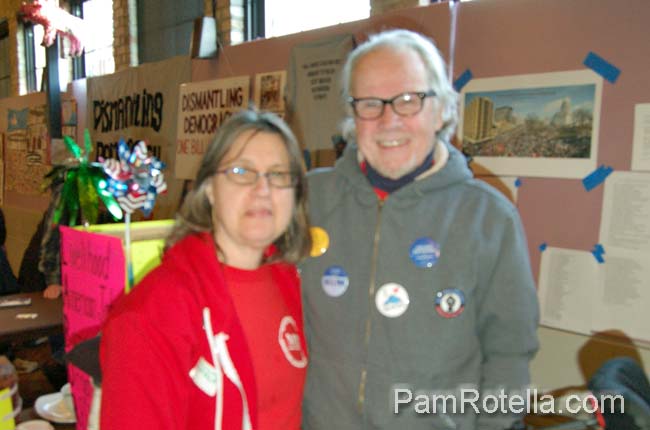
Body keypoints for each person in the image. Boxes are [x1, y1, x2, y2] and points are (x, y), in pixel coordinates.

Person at [300, 29, 539, 430]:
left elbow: (510, 358)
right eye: (371, 103)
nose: (389, 120)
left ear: (443, 109)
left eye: (409, 100)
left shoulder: (489, 219)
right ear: (353, 115)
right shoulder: (308, 199)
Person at [100, 110, 311, 430]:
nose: (263, 189)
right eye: (242, 171)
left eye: (279, 175)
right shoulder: (150, 314)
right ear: (210, 188)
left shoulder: (289, 283)